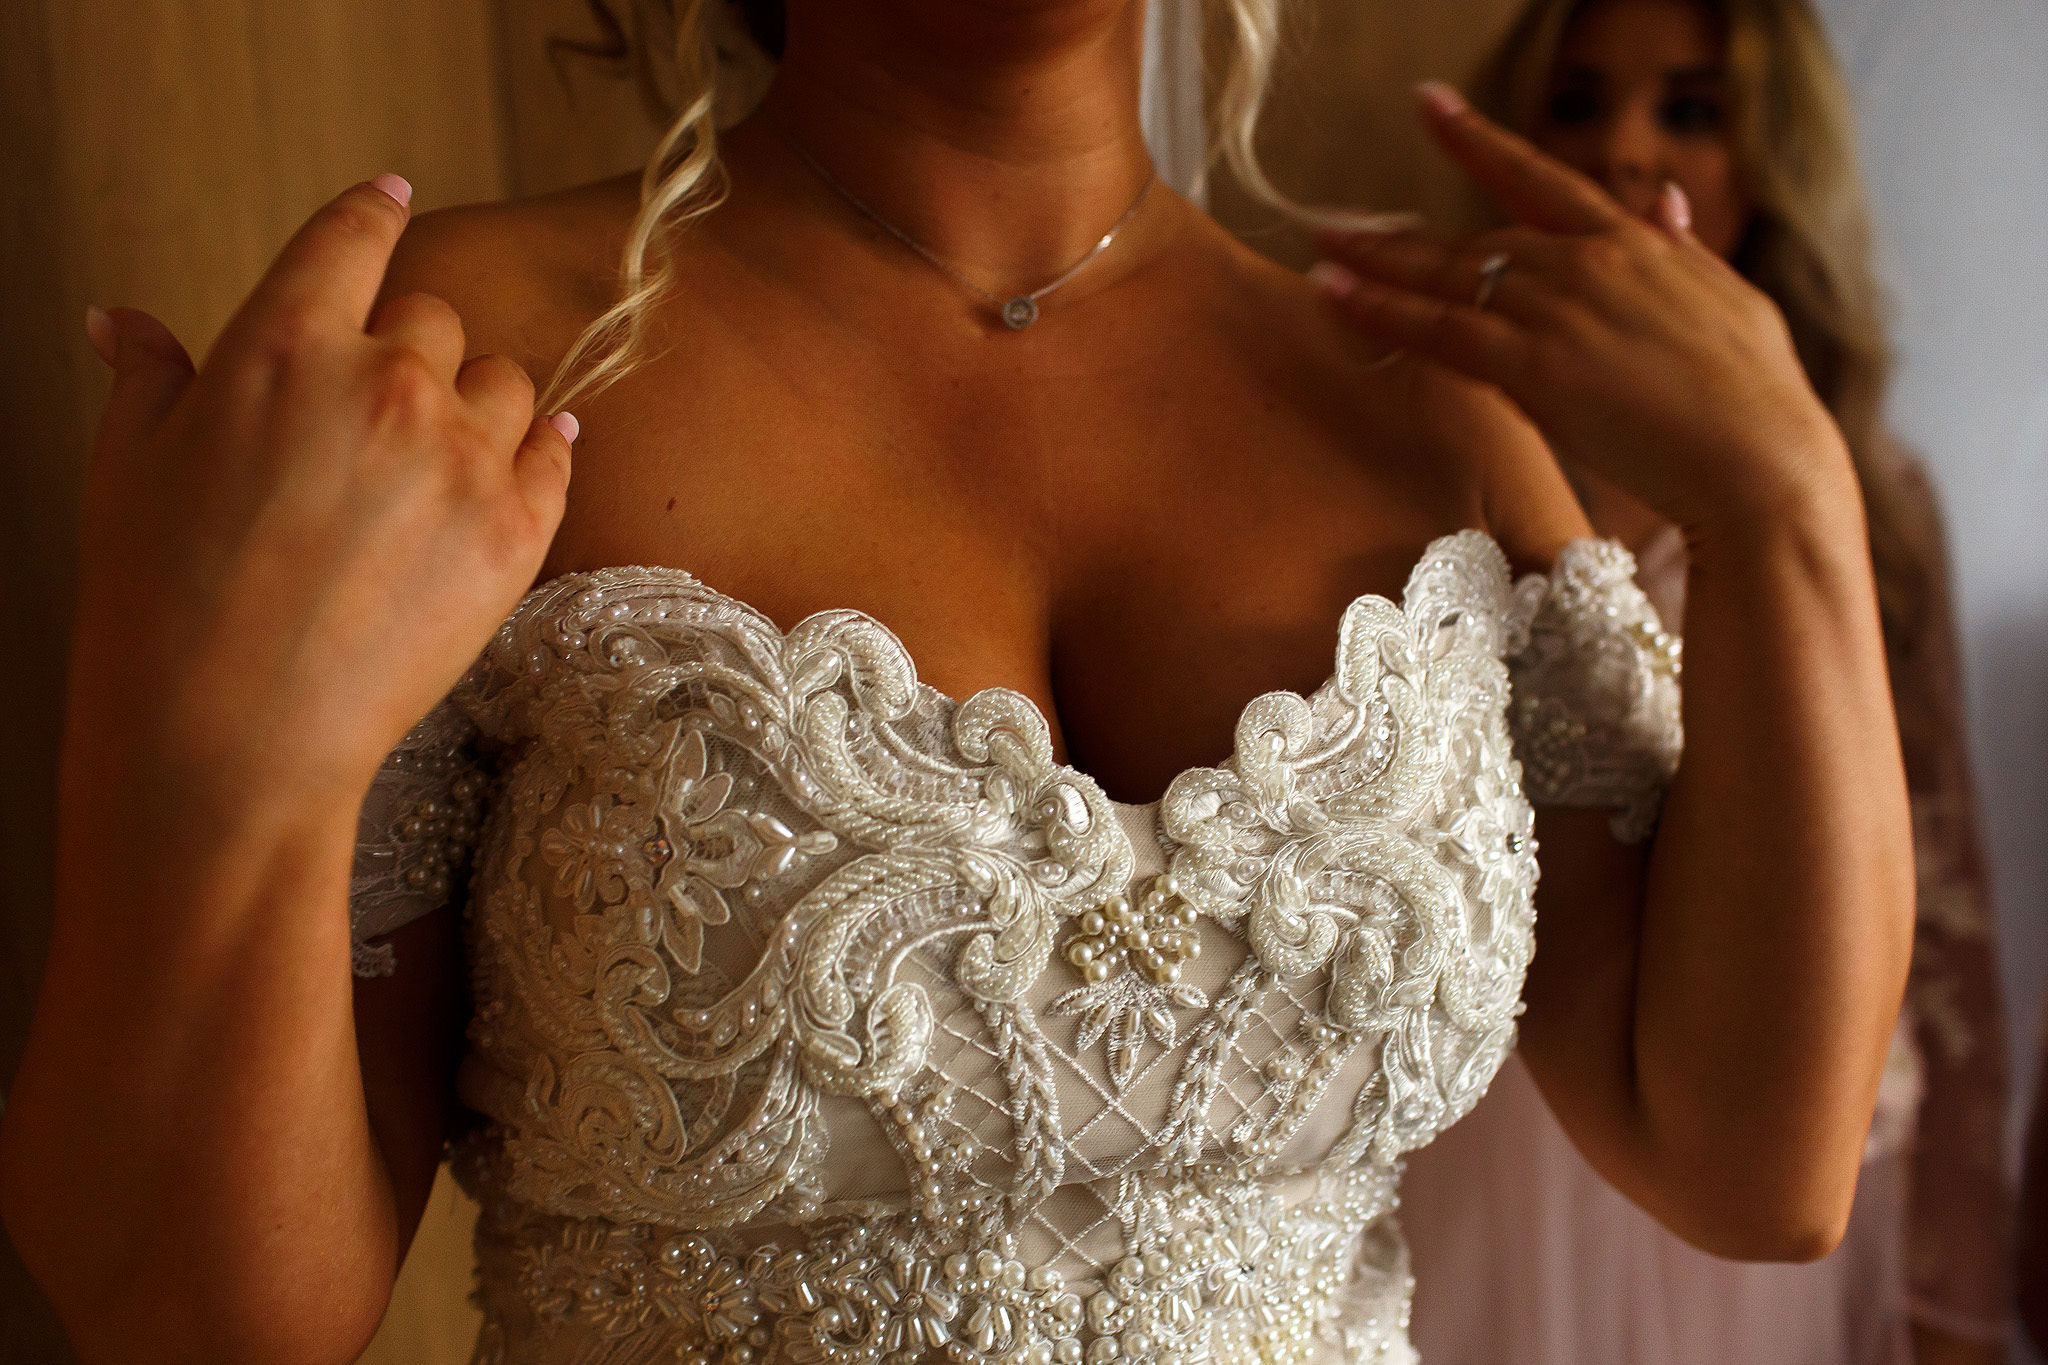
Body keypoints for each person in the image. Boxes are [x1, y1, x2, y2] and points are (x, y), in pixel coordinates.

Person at [0, 2, 1916, 1361]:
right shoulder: (478, 367)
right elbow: (197, 1320)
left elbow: (1756, 1156)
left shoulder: (1434, 426)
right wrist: (209, 748)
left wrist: (1787, 507)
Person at [1397, 2, 2014, 1363]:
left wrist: (1955, 1286)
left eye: (1687, 110)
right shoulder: (1411, 452)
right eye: (1577, 101)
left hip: (1748, 1128)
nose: (1623, 148)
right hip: (1470, 1128)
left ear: (1767, 160)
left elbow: (1943, 905)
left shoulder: (1865, 495)